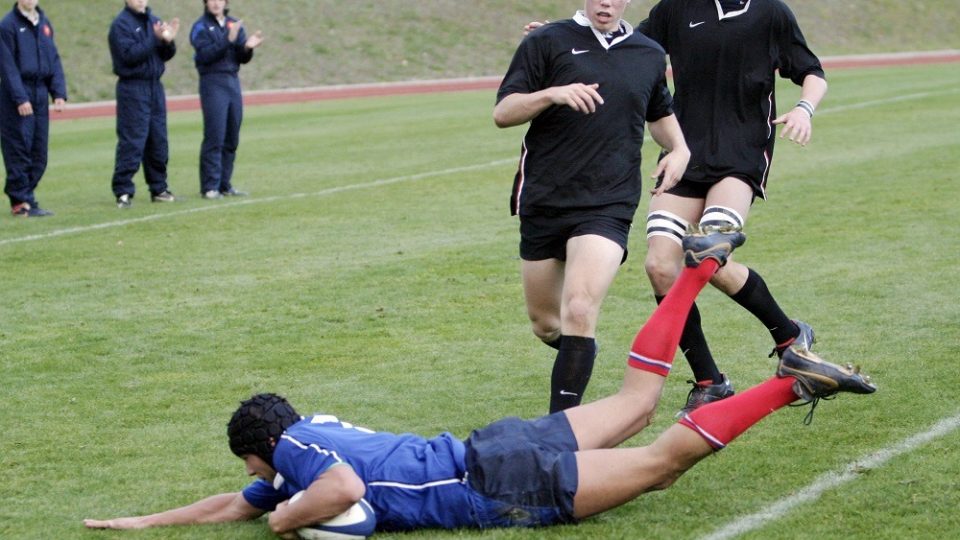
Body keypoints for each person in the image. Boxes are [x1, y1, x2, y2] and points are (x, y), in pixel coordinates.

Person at [82, 227, 876, 535]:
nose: (253, 482)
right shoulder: (305, 434)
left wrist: (288, 523)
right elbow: (237, 503)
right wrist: (150, 522)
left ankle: (790, 385)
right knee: (638, 405)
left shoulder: (299, 458)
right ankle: (698, 272)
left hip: (501, 480)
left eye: (251, 466)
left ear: (262, 447)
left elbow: (336, 490)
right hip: (498, 442)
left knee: (663, 462)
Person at [528, 0, 829, 416]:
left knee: (708, 251)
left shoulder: (770, 12)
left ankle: (787, 338)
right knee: (661, 267)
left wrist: (804, 108)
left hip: (741, 151)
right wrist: (559, 38)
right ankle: (715, 378)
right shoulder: (675, 8)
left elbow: (811, 71)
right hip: (684, 152)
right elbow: (623, 43)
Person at [495, 0, 690, 413]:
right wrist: (553, 93)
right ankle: (579, 353)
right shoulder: (547, 40)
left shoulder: (648, 53)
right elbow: (503, 112)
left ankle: (559, 433)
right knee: (546, 324)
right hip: (546, 197)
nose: (607, 2)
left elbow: (658, 111)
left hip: (609, 200)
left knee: (580, 308)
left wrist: (680, 149)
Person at [108, 0, 179, 209]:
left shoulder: (154, 21)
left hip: (155, 87)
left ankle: (158, 188)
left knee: (158, 140)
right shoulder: (121, 25)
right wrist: (154, 39)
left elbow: (165, 55)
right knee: (132, 141)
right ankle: (123, 190)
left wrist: (168, 42)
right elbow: (129, 56)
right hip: (133, 87)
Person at [190, 0, 263, 200]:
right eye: (211, 0)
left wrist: (247, 48)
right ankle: (209, 186)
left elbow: (240, 57)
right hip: (212, 82)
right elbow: (205, 55)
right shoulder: (200, 27)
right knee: (215, 135)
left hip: (232, 81)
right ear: (205, 3)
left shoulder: (233, 24)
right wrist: (227, 40)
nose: (216, 3)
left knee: (232, 135)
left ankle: (224, 184)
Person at [0, 0, 66, 217]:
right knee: (19, 149)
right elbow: (7, 66)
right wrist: (20, 98)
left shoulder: (44, 23)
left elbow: (53, 60)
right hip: (17, 95)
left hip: (39, 94)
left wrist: (58, 92)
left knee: (39, 154)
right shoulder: (8, 25)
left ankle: (25, 196)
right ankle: (21, 202)